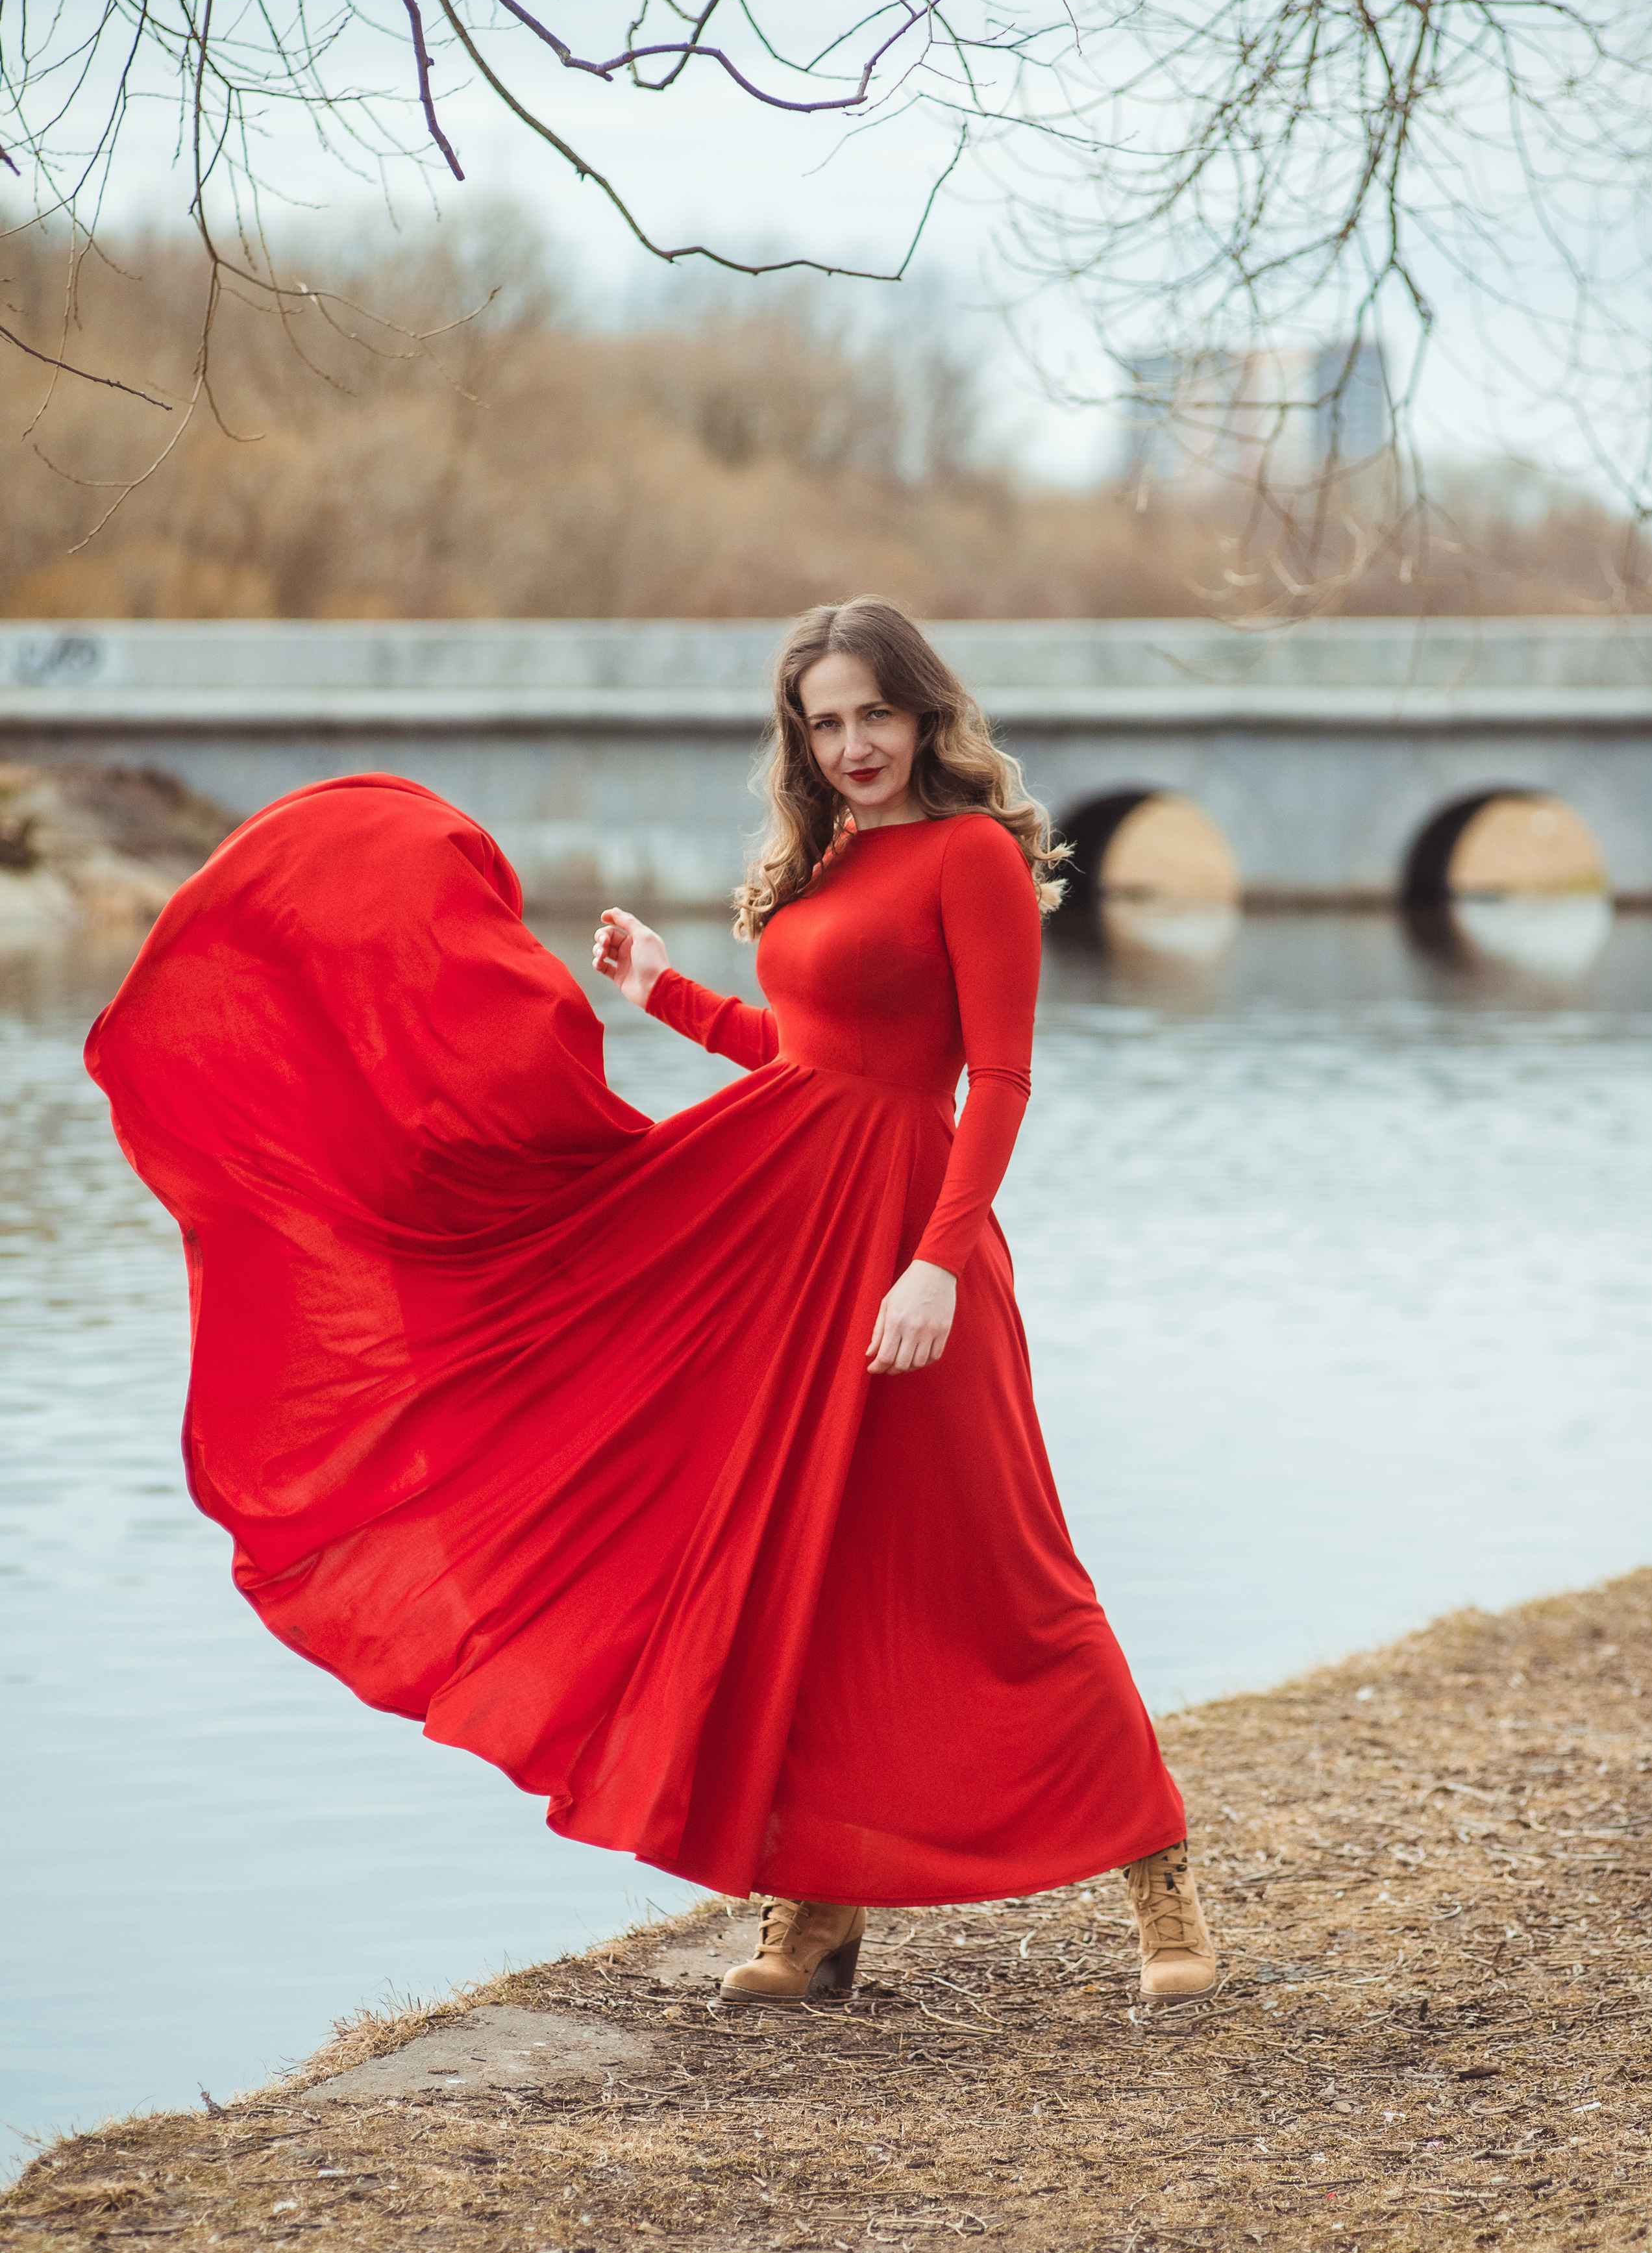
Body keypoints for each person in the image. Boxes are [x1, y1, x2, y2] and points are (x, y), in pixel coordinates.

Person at [84, 596, 1214, 2016]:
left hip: (911, 1247)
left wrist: (936, 1259)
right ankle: (817, 1900)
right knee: (797, 1565)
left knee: (1001, 1553)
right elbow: (805, 1059)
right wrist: (664, 991)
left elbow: (992, 1079)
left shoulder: (971, 856)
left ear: (925, 712)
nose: (854, 743)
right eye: (826, 721)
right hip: (781, 1241)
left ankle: (1156, 1867)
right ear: (799, 740)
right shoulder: (828, 858)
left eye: (876, 711)